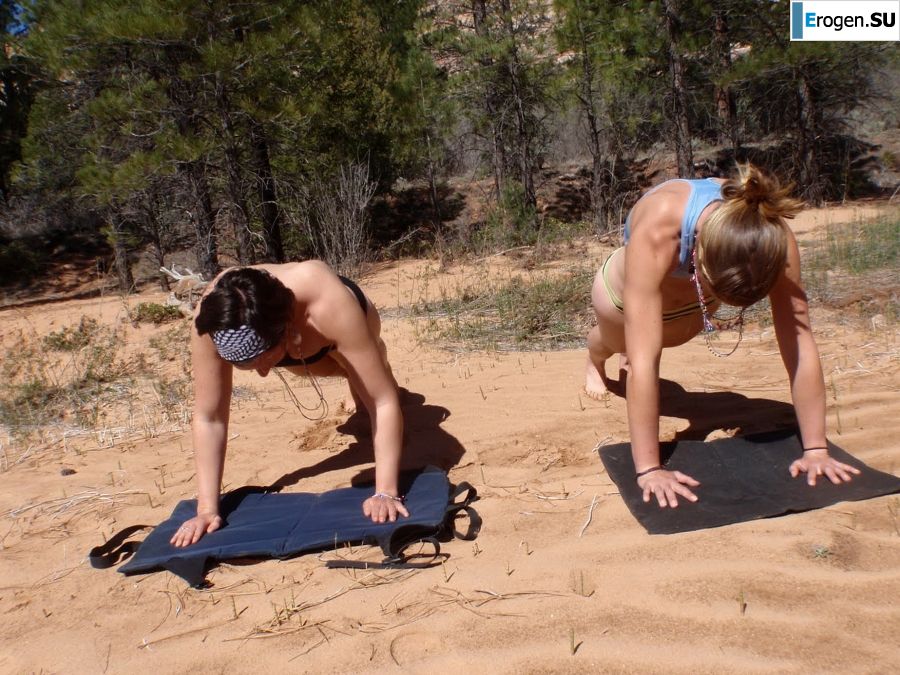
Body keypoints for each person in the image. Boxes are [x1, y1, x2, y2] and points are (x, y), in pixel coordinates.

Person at [584, 164, 860, 508]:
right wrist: (649, 469)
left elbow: (799, 340)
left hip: (694, 302)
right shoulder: (660, 228)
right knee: (620, 344)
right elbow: (646, 362)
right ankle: (594, 361)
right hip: (622, 295)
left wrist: (816, 448)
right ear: (699, 254)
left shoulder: (770, 234)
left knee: (671, 336)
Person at [171, 261, 407, 548]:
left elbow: (382, 402)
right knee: (331, 369)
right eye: (247, 366)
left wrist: (385, 492)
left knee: (368, 377)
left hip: (352, 312)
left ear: (284, 329)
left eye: (264, 360)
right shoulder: (213, 323)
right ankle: (350, 379)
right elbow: (210, 418)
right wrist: (207, 510)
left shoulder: (327, 303)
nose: (262, 373)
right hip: (295, 339)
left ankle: (370, 365)